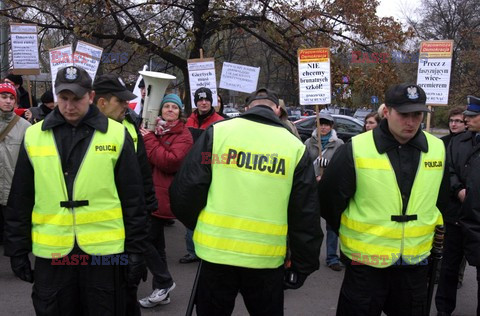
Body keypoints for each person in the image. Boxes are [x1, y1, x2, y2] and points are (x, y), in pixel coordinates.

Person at [3, 66, 148, 315]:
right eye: (64, 98)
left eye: (77, 99)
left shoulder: (115, 135)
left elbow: (133, 197)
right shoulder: (34, 136)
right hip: (54, 252)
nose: (70, 106)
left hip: (104, 253)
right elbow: (21, 198)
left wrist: (136, 250)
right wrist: (17, 250)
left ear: (91, 97)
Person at [170, 88, 322, 315]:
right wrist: (303, 264)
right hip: (266, 261)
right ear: (277, 110)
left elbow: (187, 188)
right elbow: (305, 213)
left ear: (247, 108)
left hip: (216, 254)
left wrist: (197, 225)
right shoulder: (294, 148)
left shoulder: (218, 133)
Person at [319, 83, 448, 316]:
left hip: (414, 264)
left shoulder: (437, 149)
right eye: (404, 114)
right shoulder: (357, 147)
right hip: (366, 264)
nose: (411, 122)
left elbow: (442, 199)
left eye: (417, 115)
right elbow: (329, 200)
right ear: (387, 112)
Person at [93, 73, 158, 315]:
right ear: (101, 102)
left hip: (125, 234)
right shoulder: (78, 135)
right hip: (94, 242)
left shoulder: (128, 127)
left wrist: (137, 246)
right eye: (120, 101)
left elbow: (141, 180)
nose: (126, 105)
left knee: (125, 299)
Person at [138, 93, 193, 308]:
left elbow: (171, 162)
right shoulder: (154, 130)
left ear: (180, 112)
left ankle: (164, 281)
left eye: (175, 107)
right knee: (156, 244)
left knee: (142, 238)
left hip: (163, 196)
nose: (170, 110)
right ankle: (161, 291)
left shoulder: (184, 135)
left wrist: (149, 139)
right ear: (160, 111)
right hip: (150, 193)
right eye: (166, 106)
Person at [437, 96, 480, 316]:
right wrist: (458, 189)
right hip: (455, 215)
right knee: (448, 268)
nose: (466, 119)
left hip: (478, 219)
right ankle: (443, 309)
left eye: (472, 117)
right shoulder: (459, 141)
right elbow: (450, 169)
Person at [180, 87, 224, 264]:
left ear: (211, 101)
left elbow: (224, 153)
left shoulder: (221, 122)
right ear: (195, 102)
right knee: (191, 210)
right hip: (191, 173)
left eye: (206, 99)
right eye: (200, 100)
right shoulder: (187, 121)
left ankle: (213, 248)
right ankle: (192, 250)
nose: (203, 103)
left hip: (212, 173)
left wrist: (205, 160)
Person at [305, 113, 344, 271]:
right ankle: (310, 256)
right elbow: (304, 163)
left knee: (332, 225)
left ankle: (332, 257)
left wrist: (328, 166)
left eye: (327, 124)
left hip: (330, 189)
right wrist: (314, 175)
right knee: (311, 225)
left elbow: (342, 166)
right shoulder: (309, 142)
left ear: (332, 126)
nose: (323, 127)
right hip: (313, 188)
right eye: (321, 124)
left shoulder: (339, 144)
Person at [0, 83, 30, 245]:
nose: (8, 101)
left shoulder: (26, 127)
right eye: (4, 97)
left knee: (15, 237)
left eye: (12, 98)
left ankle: (20, 267)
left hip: (14, 191)